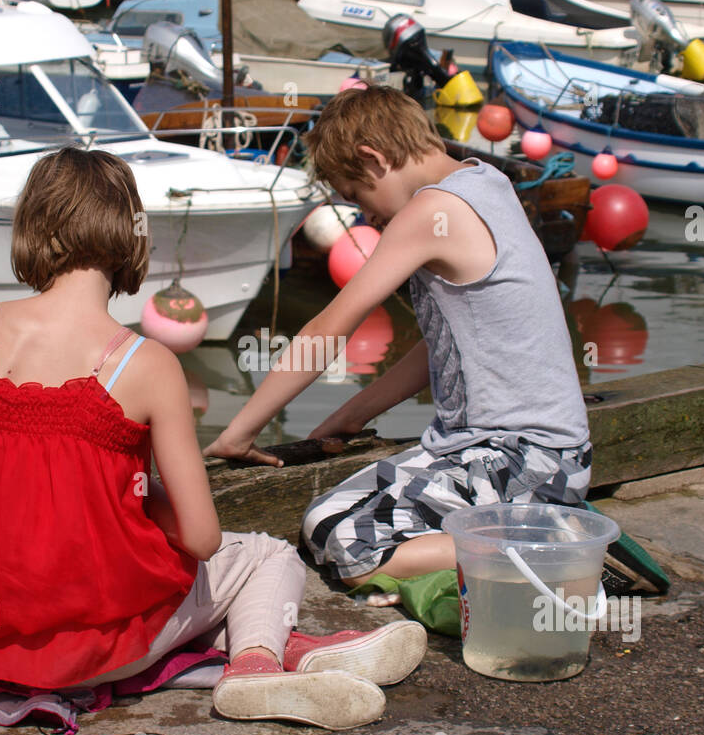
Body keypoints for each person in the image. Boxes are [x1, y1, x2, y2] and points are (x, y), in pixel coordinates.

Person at [0, 146, 425, 730]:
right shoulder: (145, 363)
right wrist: (133, 493)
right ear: (130, 234)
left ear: (33, 225)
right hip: (102, 649)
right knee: (265, 553)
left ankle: (280, 655)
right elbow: (204, 537)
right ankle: (258, 664)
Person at [205, 85, 591, 603]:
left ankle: (550, 552)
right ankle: (497, 553)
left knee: (341, 539)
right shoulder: (486, 180)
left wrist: (239, 433)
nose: (366, 217)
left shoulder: (434, 211)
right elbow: (440, 348)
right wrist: (351, 415)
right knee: (324, 514)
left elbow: (327, 329)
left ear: (374, 158)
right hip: (541, 456)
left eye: (357, 196)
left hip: (518, 458)